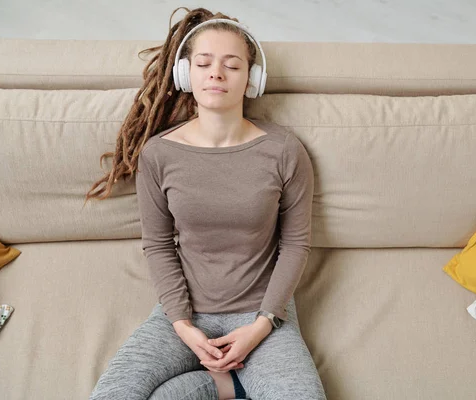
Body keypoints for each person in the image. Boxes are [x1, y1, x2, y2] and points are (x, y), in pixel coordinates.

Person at [85, 6, 327, 400]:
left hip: (261, 315)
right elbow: (158, 244)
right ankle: (229, 387)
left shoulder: (285, 150)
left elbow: (296, 244)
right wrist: (182, 324)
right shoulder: (158, 155)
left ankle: (226, 387)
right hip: (182, 315)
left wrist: (263, 324)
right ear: (186, 74)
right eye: (204, 63)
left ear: (252, 79)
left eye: (232, 65)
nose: (216, 73)